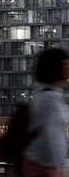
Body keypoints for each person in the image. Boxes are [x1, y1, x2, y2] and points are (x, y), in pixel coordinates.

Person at [22, 47, 69, 177]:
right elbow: (50, 139)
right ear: (55, 68)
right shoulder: (48, 99)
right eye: (64, 64)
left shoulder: (52, 96)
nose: (68, 68)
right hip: (45, 168)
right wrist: (55, 169)